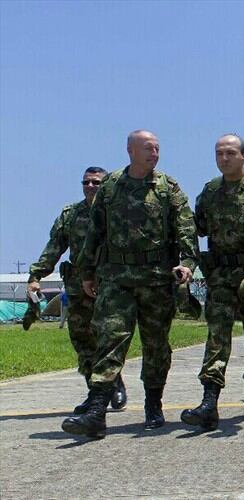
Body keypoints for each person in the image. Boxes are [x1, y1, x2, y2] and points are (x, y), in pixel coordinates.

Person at [61, 130, 198, 438]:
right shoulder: (110, 187)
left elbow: (186, 228)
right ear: (130, 151)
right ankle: (97, 411)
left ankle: (153, 404)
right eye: (148, 148)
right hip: (116, 279)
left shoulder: (167, 188)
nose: (154, 153)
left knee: (156, 345)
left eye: (158, 148)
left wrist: (187, 264)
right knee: (109, 340)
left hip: (156, 279)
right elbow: (95, 232)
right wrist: (86, 273)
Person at [180, 134, 244, 431]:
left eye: (230, 153)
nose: (224, 158)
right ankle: (209, 401)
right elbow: (192, 227)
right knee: (217, 335)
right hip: (221, 277)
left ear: (243, 156)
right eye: (219, 154)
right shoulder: (211, 192)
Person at [29, 167, 128, 414]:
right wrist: (36, 275)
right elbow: (54, 247)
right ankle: (94, 391)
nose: (91, 186)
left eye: (96, 182)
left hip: (109, 284)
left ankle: (112, 383)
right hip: (77, 287)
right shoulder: (71, 214)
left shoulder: (118, 212)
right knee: (82, 340)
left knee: (107, 338)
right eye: (86, 182)